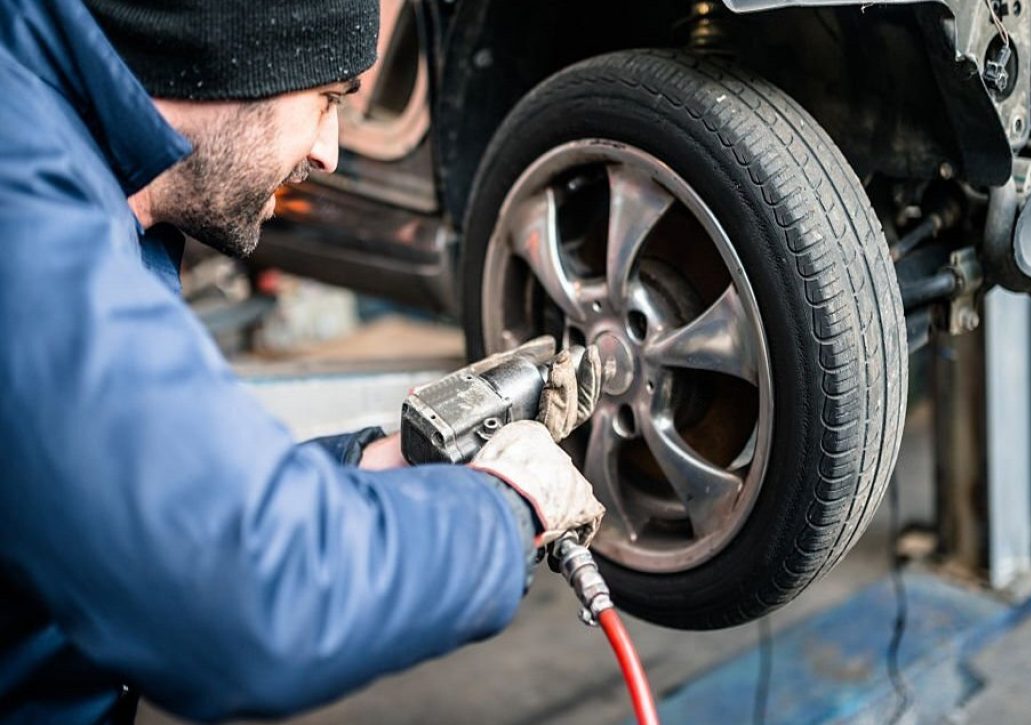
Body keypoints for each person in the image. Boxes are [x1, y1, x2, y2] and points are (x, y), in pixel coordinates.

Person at [0, 0, 605, 722]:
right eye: (326, 98)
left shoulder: (78, 161)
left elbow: (145, 502)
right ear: (239, 55)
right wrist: (502, 510)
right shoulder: (22, 209)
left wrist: (370, 469)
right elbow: (247, 600)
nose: (330, 151)